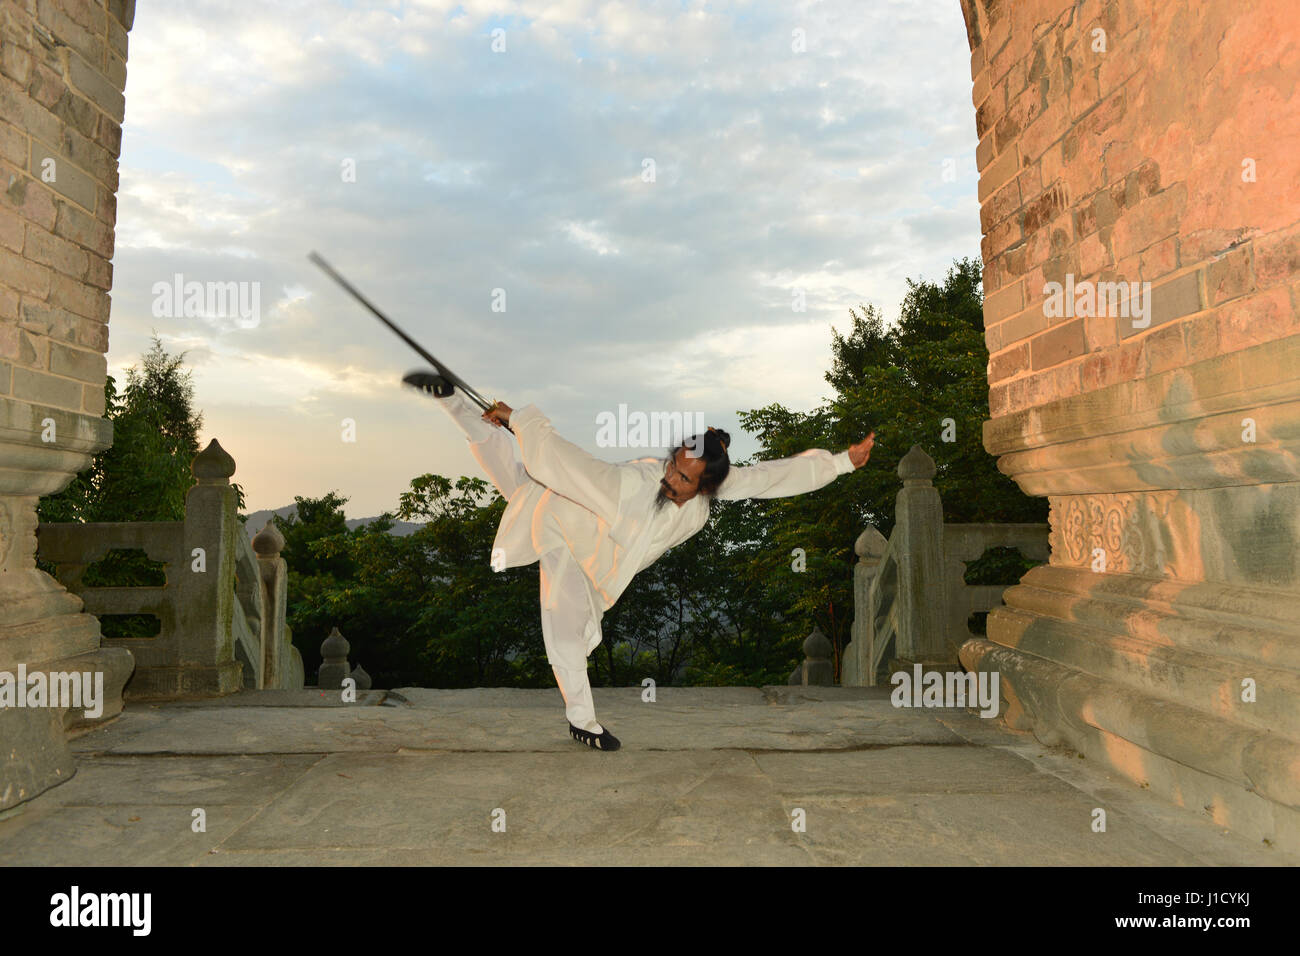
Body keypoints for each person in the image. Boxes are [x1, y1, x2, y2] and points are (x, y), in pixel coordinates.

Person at [422, 376, 876, 751]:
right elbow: (568, 462)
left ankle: (458, 407)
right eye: (673, 468)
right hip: (568, 532)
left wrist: (841, 463)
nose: (672, 480)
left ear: (708, 487)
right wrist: (521, 420)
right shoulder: (634, 480)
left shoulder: (712, 488)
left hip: (598, 561)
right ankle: (582, 721)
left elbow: (769, 476)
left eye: (684, 478)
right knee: (562, 623)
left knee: (519, 483)